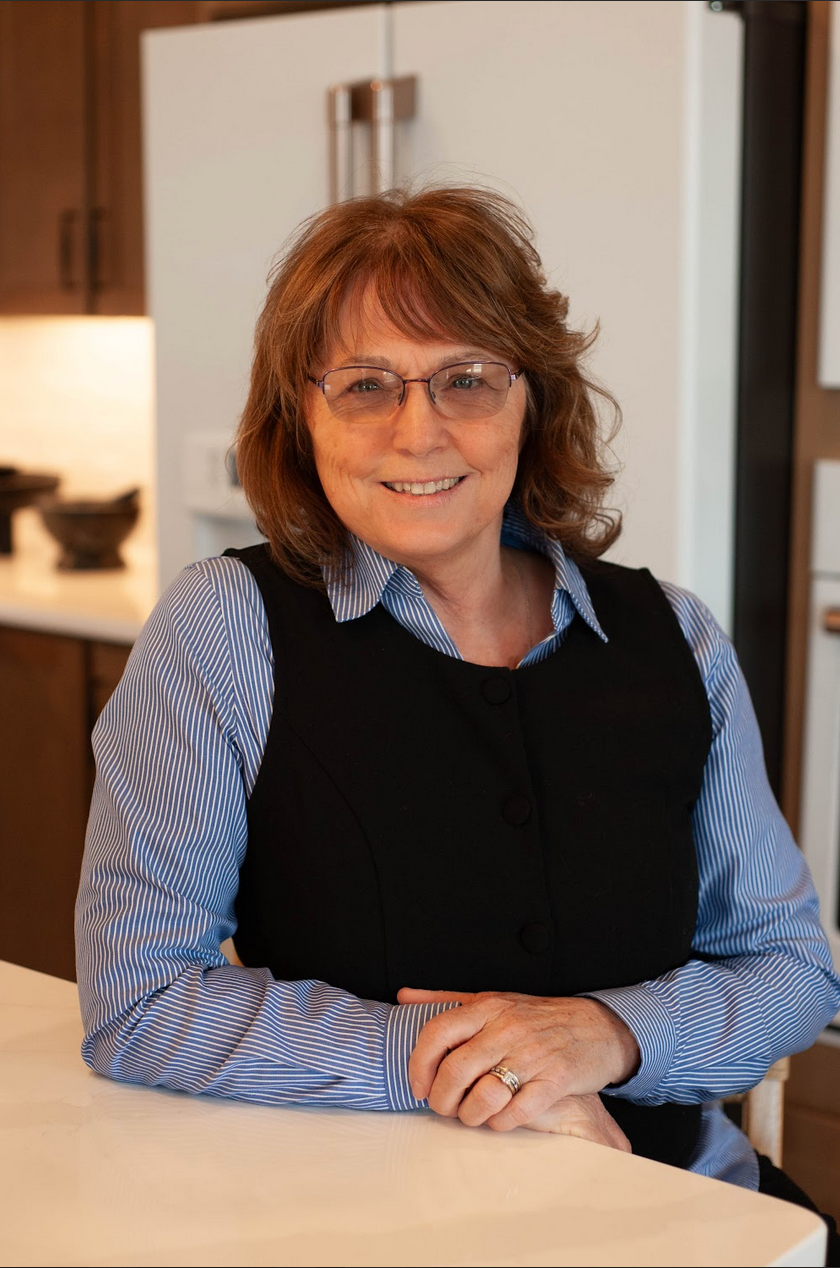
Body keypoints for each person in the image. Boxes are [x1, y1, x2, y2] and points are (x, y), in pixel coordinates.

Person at [76, 186, 840, 1245]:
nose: (417, 427)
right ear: (301, 413)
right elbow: (140, 994)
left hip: (684, 1207)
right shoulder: (222, 632)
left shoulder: (677, 636)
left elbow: (792, 965)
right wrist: (457, 1059)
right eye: (366, 384)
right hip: (370, 1220)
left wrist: (606, 1036)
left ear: (534, 401)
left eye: (467, 379)